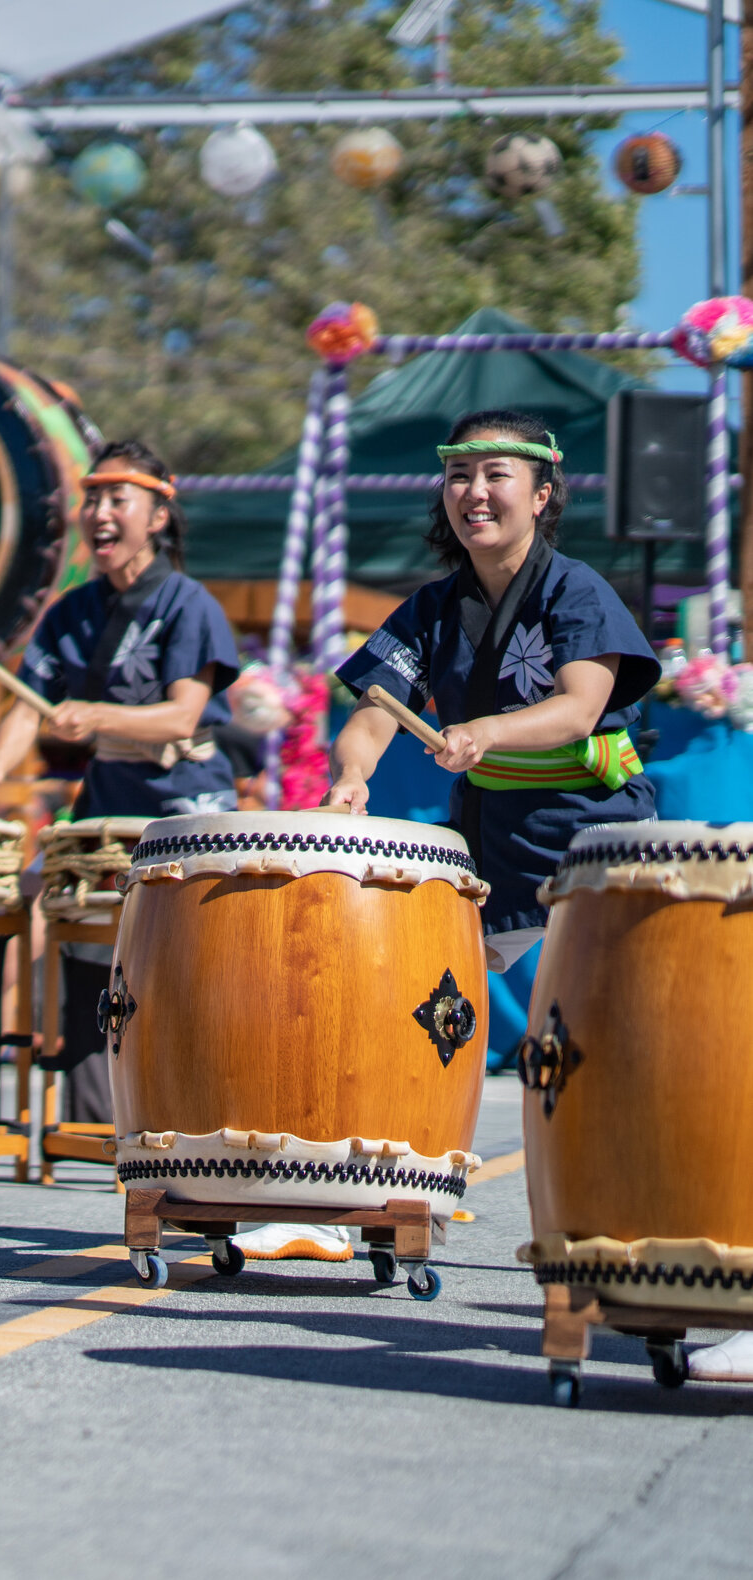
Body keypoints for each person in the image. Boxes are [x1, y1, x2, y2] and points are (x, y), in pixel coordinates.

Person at [322, 411, 688, 1334]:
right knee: (421, 1018)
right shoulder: (434, 607)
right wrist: (351, 779)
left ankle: (634, 1232)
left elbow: (577, 709)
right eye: (459, 475)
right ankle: (385, 1205)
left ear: (543, 492)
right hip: (485, 844)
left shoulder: (577, 591)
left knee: (605, 1051)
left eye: (495, 475)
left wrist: (485, 732)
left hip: (588, 837)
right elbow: (374, 707)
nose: (474, 492)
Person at [0, 440, 241, 1122]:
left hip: (185, 796)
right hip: (109, 797)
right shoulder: (70, 612)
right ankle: (97, 1119)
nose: (101, 513)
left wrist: (95, 714)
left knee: (193, 959)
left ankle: (203, 1111)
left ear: (158, 516)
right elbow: (28, 708)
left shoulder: (188, 603)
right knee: (88, 943)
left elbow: (182, 714)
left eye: (120, 498)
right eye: (93, 499)